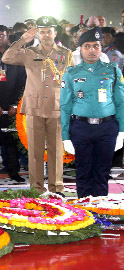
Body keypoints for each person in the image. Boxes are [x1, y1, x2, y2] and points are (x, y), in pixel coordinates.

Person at [2, 16, 73, 195]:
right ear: (38, 34)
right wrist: (23, 40)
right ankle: (37, 188)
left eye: (49, 31)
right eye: (42, 32)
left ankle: (57, 188)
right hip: (34, 107)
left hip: (57, 107)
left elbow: (71, 82)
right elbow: (7, 57)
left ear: (55, 32)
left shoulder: (66, 54)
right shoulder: (29, 52)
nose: (46, 35)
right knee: (35, 152)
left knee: (57, 150)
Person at [60, 27, 124, 198]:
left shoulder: (112, 70)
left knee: (102, 172)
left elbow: (120, 102)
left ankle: (100, 209)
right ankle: (85, 211)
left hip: (107, 128)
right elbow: (65, 106)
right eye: (87, 46)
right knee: (83, 172)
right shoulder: (71, 73)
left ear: (101, 48)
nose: (92, 50)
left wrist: (122, 132)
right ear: (80, 49)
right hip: (81, 128)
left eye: (96, 46)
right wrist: (65, 136)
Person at [0, 25, 27, 184]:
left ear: (7, 36)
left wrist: (15, 105)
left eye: (2, 35)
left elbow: (23, 81)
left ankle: (14, 172)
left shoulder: (16, 54)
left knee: (12, 143)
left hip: (11, 107)